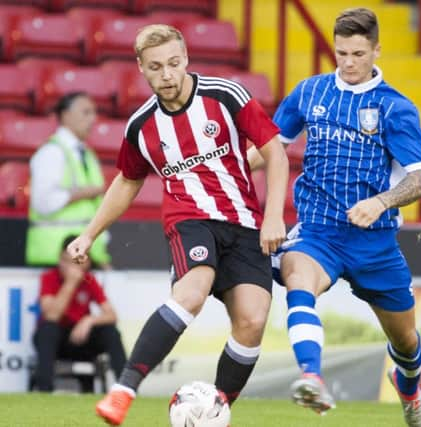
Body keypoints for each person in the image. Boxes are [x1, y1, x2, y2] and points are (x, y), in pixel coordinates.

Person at [66, 24, 288, 426]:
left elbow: (275, 150)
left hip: (243, 222)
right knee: (192, 294)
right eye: (156, 67)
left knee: (253, 321)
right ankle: (123, 391)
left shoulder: (225, 95)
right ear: (141, 68)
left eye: (173, 63)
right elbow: (127, 181)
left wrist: (273, 215)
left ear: (185, 58)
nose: (166, 74)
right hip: (189, 220)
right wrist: (89, 232)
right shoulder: (141, 126)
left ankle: (214, 412)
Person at [271, 8, 421, 426]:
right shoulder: (309, 93)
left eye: (358, 53)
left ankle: (410, 388)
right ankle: (312, 378)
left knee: (405, 339)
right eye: (341, 53)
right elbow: (270, 150)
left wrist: (381, 202)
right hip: (318, 231)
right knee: (297, 280)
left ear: (376, 50)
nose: (348, 62)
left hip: (375, 242)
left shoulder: (396, 108)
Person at [31, 235, 126, 392]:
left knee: (110, 331)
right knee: (48, 330)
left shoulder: (89, 279)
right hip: (56, 340)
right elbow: (51, 315)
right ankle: (44, 390)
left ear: (86, 263)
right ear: (60, 260)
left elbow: (112, 315)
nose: (69, 267)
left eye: (75, 262)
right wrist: (70, 283)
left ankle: (125, 389)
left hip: (81, 338)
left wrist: (88, 320)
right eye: (65, 261)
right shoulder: (49, 278)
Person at [26, 92, 111, 268]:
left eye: (94, 113)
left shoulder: (87, 154)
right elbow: (43, 202)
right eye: (86, 112)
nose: (93, 119)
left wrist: (100, 257)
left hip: (85, 258)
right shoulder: (51, 152)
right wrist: (85, 193)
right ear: (65, 115)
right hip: (54, 259)